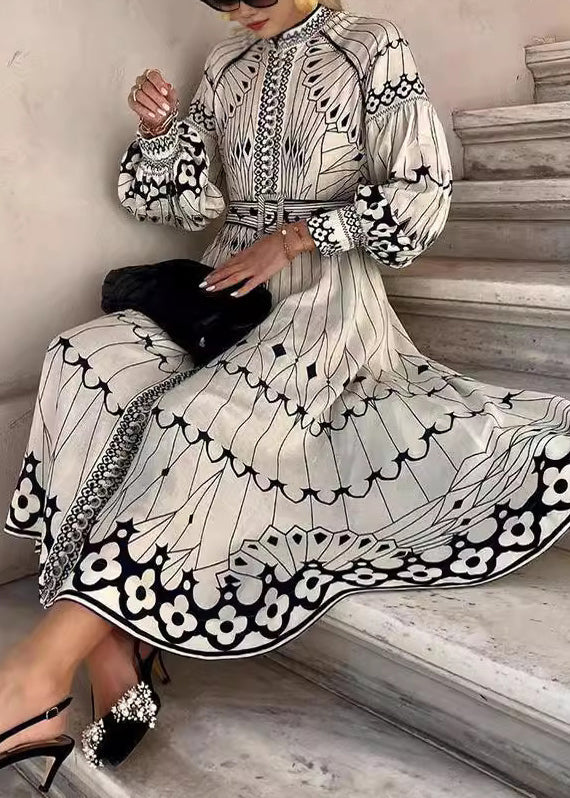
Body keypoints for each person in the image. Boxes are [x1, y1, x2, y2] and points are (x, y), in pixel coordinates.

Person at [2, 0, 570, 790]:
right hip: (219, 288)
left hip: (326, 301)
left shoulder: (370, 46)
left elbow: (423, 195)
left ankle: (29, 681)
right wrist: (162, 135)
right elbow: (190, 205)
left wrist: (301, 236)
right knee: (80, 363)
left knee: (191, 419)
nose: (239, 12)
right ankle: (114, 655)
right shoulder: (226, 63)